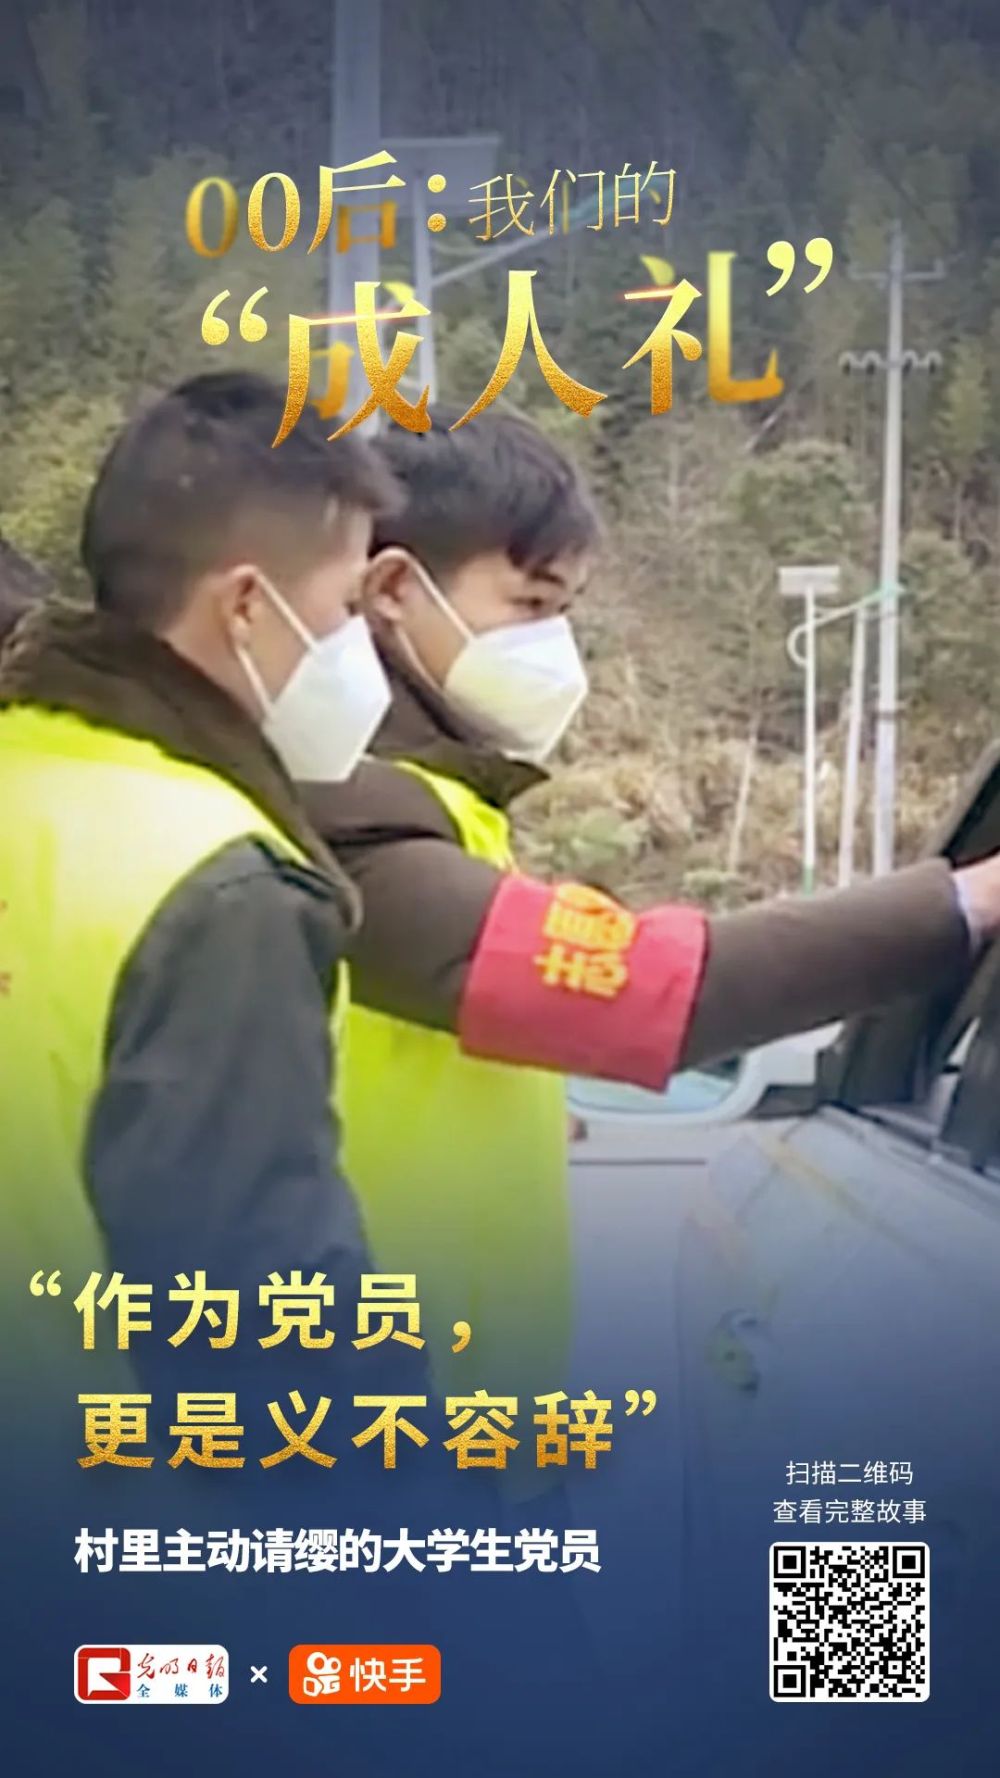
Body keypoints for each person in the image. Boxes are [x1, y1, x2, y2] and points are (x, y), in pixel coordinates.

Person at [302, 408, 1000, 1494]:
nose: (553, 648)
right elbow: (637, 987)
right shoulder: (339, 807)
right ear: (393, 589)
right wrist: (967, 900)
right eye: (531, 606)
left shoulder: (434, 803)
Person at [0, 370, 406, 1440]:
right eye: (345, 608)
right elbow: (267, 1327)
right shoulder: (222, 884)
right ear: (245, 605)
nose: (360, 648)